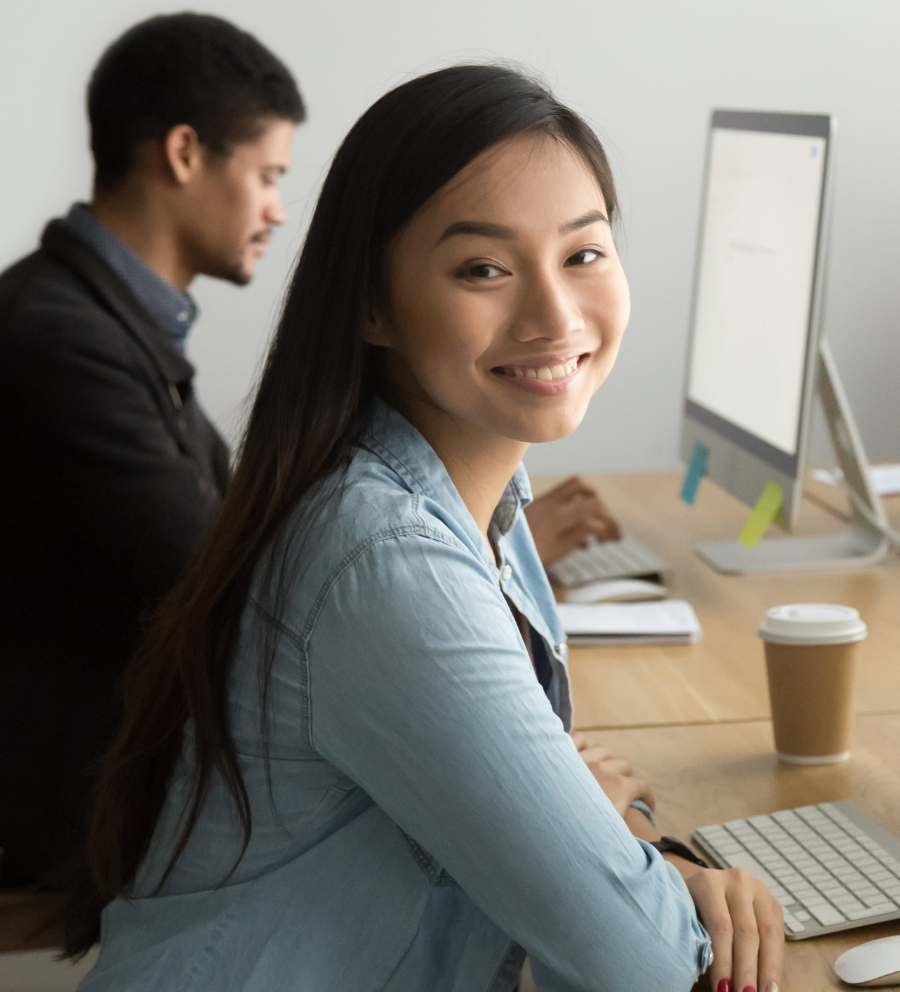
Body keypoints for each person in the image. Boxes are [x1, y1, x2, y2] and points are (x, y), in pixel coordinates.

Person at [70, 65, 779, 992]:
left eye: (584, 254)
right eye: (483, 268)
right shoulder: (385, 558)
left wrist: (619, 841)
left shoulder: (472, 493)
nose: (554, 314)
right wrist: (635, 853)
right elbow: (635, 963)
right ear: (371, 304)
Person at [0, 13, 304, 889]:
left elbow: (234, 526)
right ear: (186, 153)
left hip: (77, 762)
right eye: (269, 175)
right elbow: (222, 578)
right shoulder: (58, 339)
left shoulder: (105, 317)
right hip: (40, 805)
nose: (278, 209)